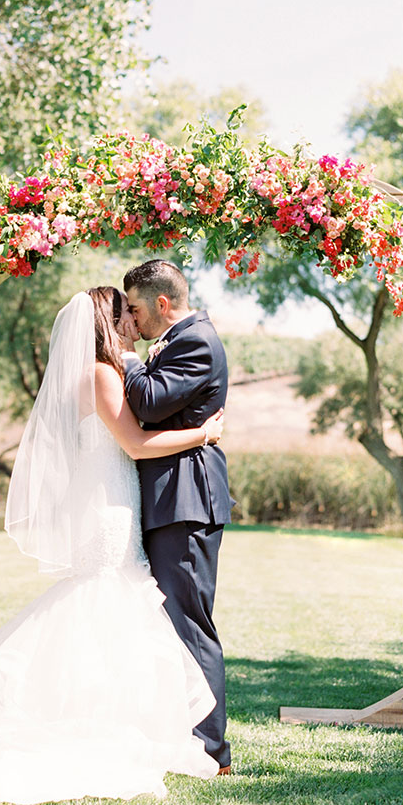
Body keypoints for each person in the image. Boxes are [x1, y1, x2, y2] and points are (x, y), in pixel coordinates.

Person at [0, 287, 227, 802]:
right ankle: (94, 725)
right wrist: (204, 435)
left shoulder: (93, 373)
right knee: (102, 601)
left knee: (109, 608)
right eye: (124, 312)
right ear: (108, 324)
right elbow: (133, 443)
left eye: (135, 309)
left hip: (109, 497)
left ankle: (109, 720)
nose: (132, 318)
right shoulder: (103, 374)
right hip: (110, 508)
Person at [120, 260, 236, 775]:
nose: (133, 318)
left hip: (187, 502)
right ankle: (180, 737)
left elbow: (148, 401)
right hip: (171, 499)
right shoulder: (177, 342)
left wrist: (124, 358)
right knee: (173, 622)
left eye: (137, 308)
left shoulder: (197, 343)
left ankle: (210, 750)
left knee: (191, 625)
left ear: (162, 304)